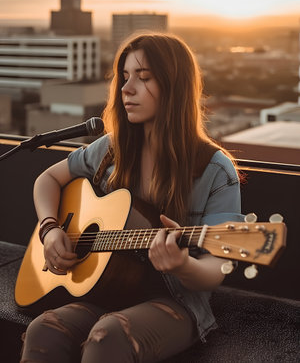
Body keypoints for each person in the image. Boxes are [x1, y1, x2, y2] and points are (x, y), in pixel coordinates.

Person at [21, 32, 243, 363]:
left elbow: (218, 266)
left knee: (107, 337)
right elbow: (48, 178)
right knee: (44, 329)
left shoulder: (214, 168)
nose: (126, 88)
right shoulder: (113, 147)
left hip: (174, 300)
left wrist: (183, 265)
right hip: (107, 291)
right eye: (125, 77)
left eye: (144, 77)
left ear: (174, 86)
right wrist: (51, 228)